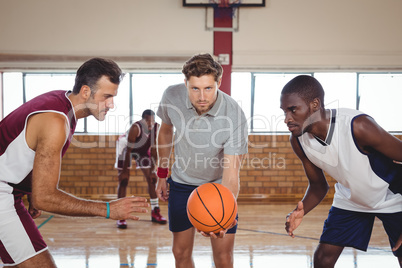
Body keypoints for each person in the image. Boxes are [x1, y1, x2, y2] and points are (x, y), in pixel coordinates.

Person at [0, 58, 149, 268]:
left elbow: (25, 154)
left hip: (10, 191)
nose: (111, 104)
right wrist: (106, 209)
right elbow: (46, 198)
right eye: (107, 96)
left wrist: (32, 192)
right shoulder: (55, 121)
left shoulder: (61, 102)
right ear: (86, 92)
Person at [280, 75, 402, 267]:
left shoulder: (358, 126)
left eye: (293, 110)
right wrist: (300, 211)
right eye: (284, 111)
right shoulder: (298, 140)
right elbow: (319, 186)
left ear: (314, 104)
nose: (287, 118)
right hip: (352, 199)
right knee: (322, 260)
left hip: (393, 197)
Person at [155, 53, 248, 268]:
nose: (202, 96)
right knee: (180, 252)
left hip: (217, 188)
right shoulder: (172, 95)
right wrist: (161, 174)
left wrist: (226, 209)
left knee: (223, 257)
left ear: (218, 83)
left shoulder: (234, 114)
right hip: (181, 184)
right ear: (185, 83)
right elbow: (166, 131)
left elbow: (232, 172)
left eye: (208, 88)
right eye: (195, 88)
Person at [115, 109, 167, 228]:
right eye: (148, 121)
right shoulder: (135, 128)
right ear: (142, 120)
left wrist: (153, 170)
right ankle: (121, 215)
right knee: (123, 180)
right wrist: (124, 170)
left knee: (151, 179)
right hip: (125, 149)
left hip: (142, 150)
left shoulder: (156, 128)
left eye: (152, 121)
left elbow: (154, 150)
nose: (150, 124)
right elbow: (128, 150)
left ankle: (155, 211)